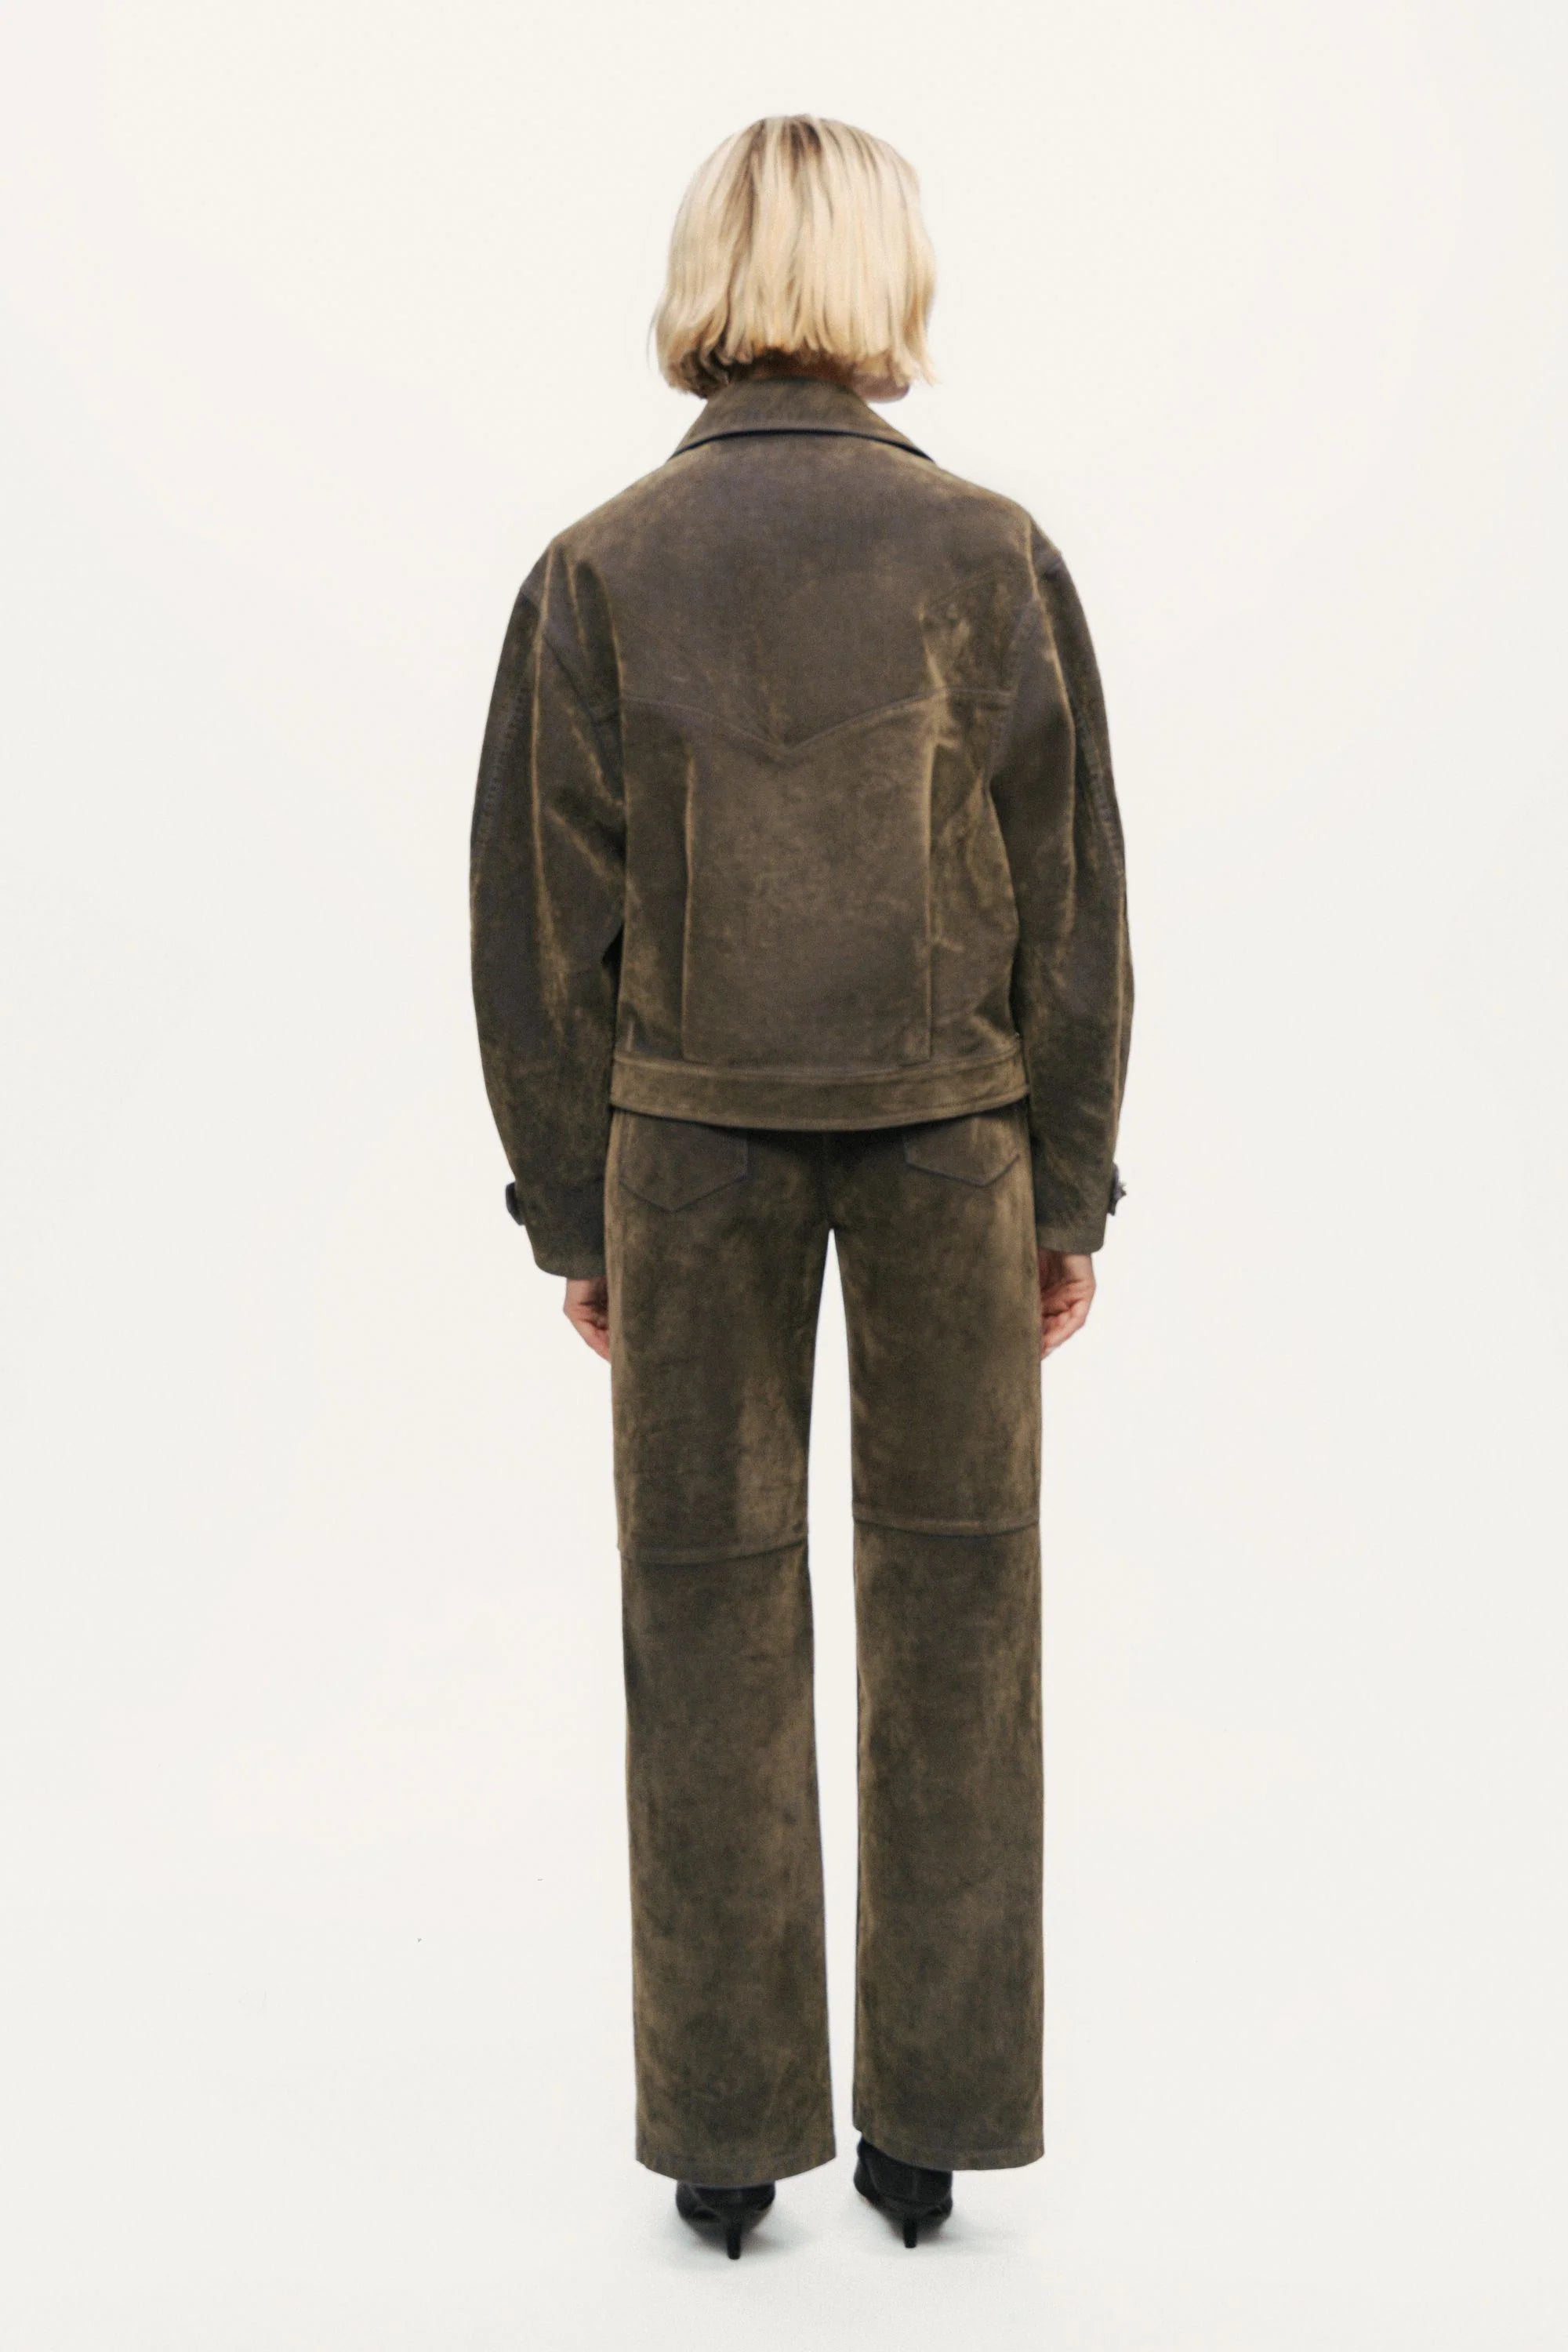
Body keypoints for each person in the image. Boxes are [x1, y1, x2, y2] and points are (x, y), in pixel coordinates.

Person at [469, 114, 1132, 2258]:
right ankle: (933, 2127)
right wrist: (1069, 1187)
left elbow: (535, 927)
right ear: (884, 277)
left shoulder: (598, 567)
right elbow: (1072, 904)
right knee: (962, 1609)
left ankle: (727, 2137)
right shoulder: (989, 554)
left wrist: (574, 1212)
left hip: (686, 1150)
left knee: (701, 1604)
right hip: (954, 1142)